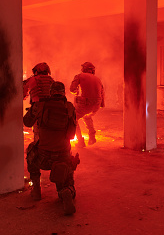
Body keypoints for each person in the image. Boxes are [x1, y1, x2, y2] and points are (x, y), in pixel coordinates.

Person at [23, 81, 79, 215]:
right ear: (63, 93)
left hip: (43, 158)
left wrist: (35, 113)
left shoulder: (40, 105)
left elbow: (26, 122)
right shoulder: (70, 107)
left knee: (31, 150)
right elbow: (71, 135)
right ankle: (65, 191)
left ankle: (36, 190)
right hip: (62, 158)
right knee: (67, 181)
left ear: (51, 92)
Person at [69, 62, 105, 147]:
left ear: (83, 69)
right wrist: (101, 104)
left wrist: (76, 92)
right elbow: (102, 93)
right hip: (96, 105)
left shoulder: (79, 76)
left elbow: (72, 89)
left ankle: (80, 141)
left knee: (73, 118)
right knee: (87, 116)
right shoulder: (98, 79)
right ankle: (92, 137)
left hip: (85, 104)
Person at [23, 62, 54, 141]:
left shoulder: (32, 79)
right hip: (51, 109)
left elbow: (23, 94)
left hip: (38, 110)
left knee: (37, 132)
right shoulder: (52, 80)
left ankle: (39, 150)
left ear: (36, 71)